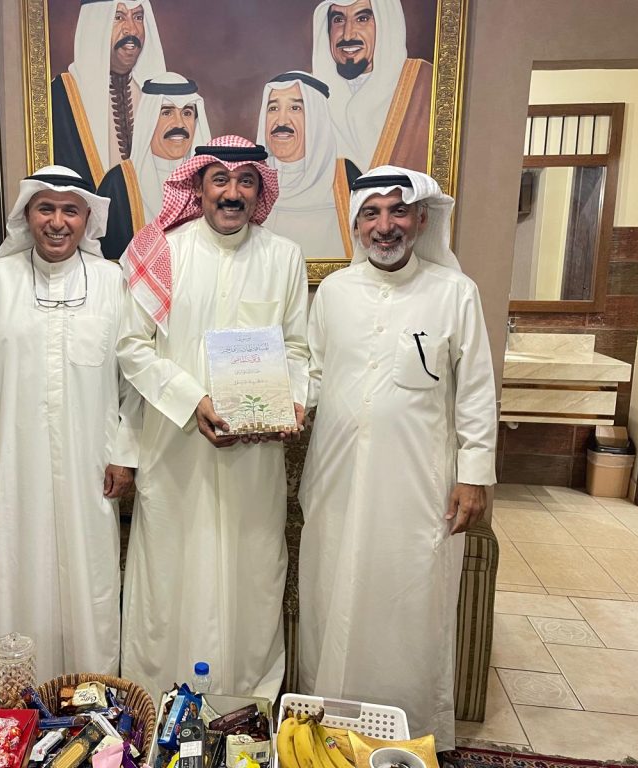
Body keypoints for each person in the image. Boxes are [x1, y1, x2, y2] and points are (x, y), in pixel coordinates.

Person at [297, 166, 497, 750]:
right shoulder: (334, 293)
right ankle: (326, 729)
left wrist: (474, 476)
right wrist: (274, 405)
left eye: (398, 211)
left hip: (416, 485)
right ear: (357, 224)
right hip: (335, 479)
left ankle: (410, 735)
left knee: (407, 605)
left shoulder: (454, 292)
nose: (385, 226)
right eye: (372, 214)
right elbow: (313, 373)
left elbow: (477, 392)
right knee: (331, 595)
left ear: (421, 219)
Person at [117, 136, 309, 699]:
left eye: (246, 181)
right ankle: (157, 696)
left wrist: (294, 399)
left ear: (259, 190)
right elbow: (132, 346)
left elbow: (298, 349)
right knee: (170, 573)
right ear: (198, 188)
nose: (232, 192)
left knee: (253, 572)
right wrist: (191, 399)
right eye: (220, 180)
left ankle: (247, 700)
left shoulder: (283, 257)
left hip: (254, 455)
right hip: (176, 452)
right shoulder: (165, 252)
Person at [0, 165, 142, 681]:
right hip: (12, 460)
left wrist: (125, 454)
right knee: (16, 569)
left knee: (91, 577)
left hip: (92, 462)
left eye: (70, 211)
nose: (57, 222)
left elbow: (132, 379)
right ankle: (17, 693)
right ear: (27, 215)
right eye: (46, 208)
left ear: (87, 219)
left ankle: (93, 690)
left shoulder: (112, 282)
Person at [51, 1, 167, 187]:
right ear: (96, 25)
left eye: (138, 17)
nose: (132, 30)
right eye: (118, 17)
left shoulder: (158, 97)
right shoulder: (61, 98)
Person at [97, 72, 210, 260]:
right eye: (166, 112)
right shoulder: (118, 183)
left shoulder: (207, 183)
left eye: (187, 113)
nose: (179, 123)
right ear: (149, 119)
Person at [311, 0, 432, 172]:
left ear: (385, 23)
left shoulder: (423, 82)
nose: (347, 35)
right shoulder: (307, 97)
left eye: (362, 19)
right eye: (338, 20)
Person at [256, 70, 360, 258]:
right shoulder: (253, 180)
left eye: (295, 108)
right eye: (273, 108)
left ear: (316, 118)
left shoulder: (345, 178)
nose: (281, 120)